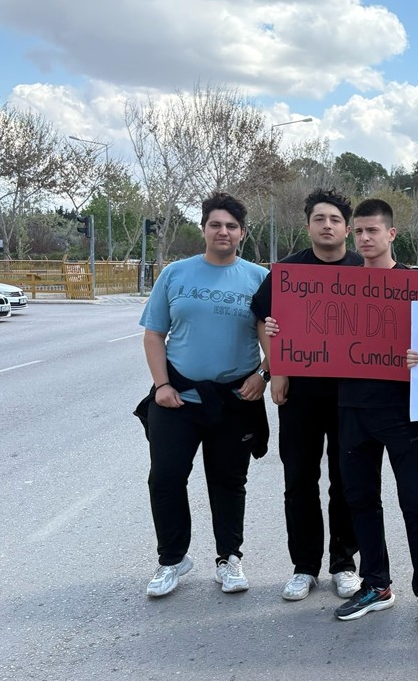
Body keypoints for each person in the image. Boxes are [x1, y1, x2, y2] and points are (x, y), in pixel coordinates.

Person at [140, 192, 270, 598]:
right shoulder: (176, 274)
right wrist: (162, 385)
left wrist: (265, 375)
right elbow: (154, 334)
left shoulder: (258, 278)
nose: (223, 231)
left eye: (231, 226)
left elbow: (273, 333)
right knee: (166, 478)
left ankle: (229, 558)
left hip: (235, 400)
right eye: (215, 224)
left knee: (229, 481)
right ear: (204, 229)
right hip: (177, 398)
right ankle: (172, 560)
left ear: (242, 234)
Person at [331, 199, 418, 632]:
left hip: (401, 411)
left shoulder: (416, 284)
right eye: (358, 231)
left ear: (391, 234)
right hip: (350, 410)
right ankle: (376, 584)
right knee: (360, 500)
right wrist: (280, 332)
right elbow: (313, 329)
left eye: (372, 231)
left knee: (416, 504)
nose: (363, 238)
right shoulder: (337, 284)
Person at [252, 189, 361, 602]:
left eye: (334, 218)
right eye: (319, 219)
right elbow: (264, 320)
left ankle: (344, 562)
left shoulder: (366, 270)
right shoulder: (286, 272)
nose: (327, 225)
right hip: (299, 393)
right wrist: (276, 369)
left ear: (346, 228)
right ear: (308, 226)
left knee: (347, 480)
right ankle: (304, 566)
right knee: (299, 479)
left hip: (353, 396)